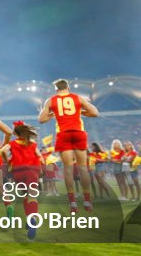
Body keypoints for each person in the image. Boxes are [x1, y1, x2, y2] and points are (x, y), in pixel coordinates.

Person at [38, 79, 100, 213]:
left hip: (63, 134)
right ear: (68, 87)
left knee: (68, 169)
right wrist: (81, 112)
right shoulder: (77, 97)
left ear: (56, 89)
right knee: (83, 168)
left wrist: (53, 114)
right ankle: (87, 201)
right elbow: (95, 113)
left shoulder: (51, 100)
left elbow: (41, 119)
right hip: (78, 132)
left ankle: (72, 203)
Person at [0, 122, 43, 240]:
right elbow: (40, 157)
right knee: (32, 197)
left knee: (24, 196)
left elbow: (3, 151)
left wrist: (8, 161)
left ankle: (29, 219)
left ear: (15, 133)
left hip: (18, 172)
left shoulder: (12, 143)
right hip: (32, 171)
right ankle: (32, 219)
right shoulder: (32, 144)